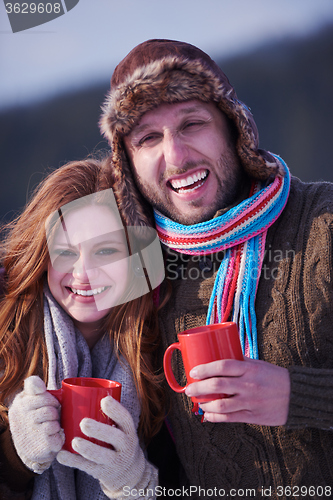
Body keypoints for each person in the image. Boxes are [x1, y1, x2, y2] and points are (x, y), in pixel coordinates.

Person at [98, 39, 333, 498]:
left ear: (233, 128)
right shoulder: (139, 278)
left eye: (193, 124)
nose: (178, 156)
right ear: (127, 162)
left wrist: (297, 394)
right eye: (148, 138)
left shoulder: (323, 220)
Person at [0, 157, 165, 499]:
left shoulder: (162, 340)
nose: (83, 274)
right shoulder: (6, 332)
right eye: (65, 252)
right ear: (42, 257)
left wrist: (135, 481)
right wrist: (16, 453)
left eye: (105, 251)